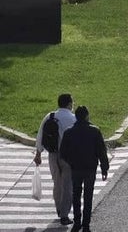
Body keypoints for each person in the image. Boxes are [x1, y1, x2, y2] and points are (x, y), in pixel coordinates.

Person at [58, 106, 109, 232]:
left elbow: (62, 153)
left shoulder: (69, 132)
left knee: (76, 195)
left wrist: (71, 162)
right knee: (88, 196)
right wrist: (104, 168)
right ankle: (86, 225)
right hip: (90, 169)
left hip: (75, 169)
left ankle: (76, 222)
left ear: (76, 116)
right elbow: (101, 152)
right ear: (87, 116)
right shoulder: (95, 131)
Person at [33, 92, 76, 226]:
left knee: (57, 183)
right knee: (67, 185)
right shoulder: (73, 118)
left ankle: (58, 209)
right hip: (67, 157)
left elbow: (40, 135)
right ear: (69, 104)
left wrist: (38, 154)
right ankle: (64, 215)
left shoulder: (50, 116)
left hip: (52, 155)